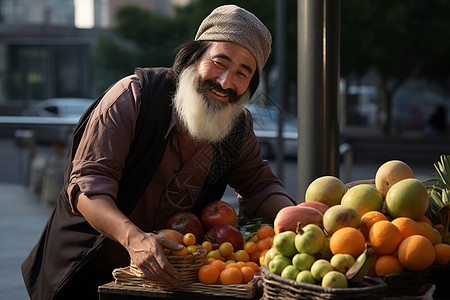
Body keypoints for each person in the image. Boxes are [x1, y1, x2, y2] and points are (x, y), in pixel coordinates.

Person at [21, 5, 296, 299]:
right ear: (193, 57)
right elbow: (89, 188)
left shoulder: (237, 126)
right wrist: (134, 239)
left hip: (167, 282)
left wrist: (302, 221)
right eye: (219, 62)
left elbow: (260, 185)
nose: (226, 82)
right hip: (84, 272)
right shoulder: (133, 97)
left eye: (243, 73)